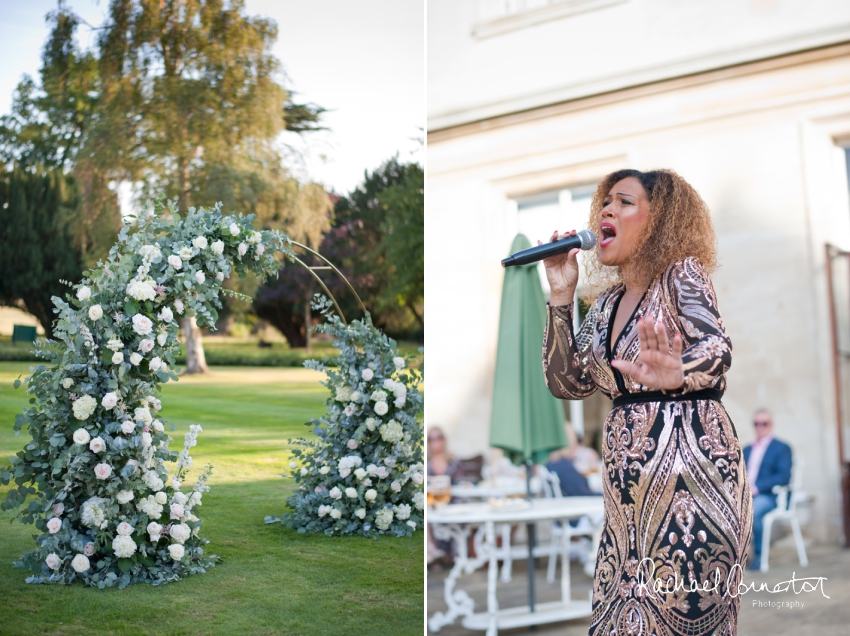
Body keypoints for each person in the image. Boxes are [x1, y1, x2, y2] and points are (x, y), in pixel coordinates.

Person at [541, 169, 752, 635]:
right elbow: (568, 384)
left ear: (659, 221)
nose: (607, 211)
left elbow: (717, 351)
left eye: (624, 202)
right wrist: (561, 296)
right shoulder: (603, 302)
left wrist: (679, 375)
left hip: (693, 492)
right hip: (626, 509)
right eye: (605, 203)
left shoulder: (681, 273)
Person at [743, 409, 792, 570]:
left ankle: (759, 555)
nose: (760, 427)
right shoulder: (747, 450)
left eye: (764, 423)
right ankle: (737, 557)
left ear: (771, 425)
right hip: (745, 496)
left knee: (754, 511)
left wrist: (756, 488)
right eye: (756, 423)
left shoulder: (781, 448)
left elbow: (783, 476)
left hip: (769, 496)